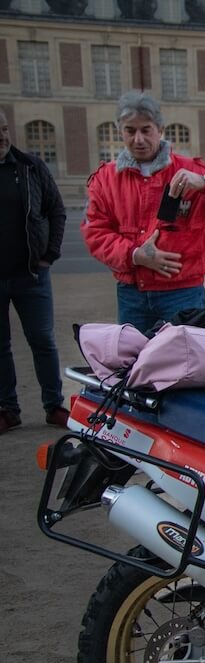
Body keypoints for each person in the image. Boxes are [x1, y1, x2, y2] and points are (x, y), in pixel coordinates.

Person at [82, 91, 205, 334]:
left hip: (182, 294)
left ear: (160, 130)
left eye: (146, 130)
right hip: (132, 295)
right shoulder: (106, 179)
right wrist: (135, 255)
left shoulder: (191, 171)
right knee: (135, 366)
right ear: (120, 131)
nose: (138, 139)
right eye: (130, 131)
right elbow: (95, 233)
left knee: (183, 366)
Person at [0, 110, 70, 434]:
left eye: (3, 128)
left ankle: (54, 405)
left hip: (32, 275)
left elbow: (56, 209)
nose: (2, 136)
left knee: (42, 339)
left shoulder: (30, 167)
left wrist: (50, 255)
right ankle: (8, 410)